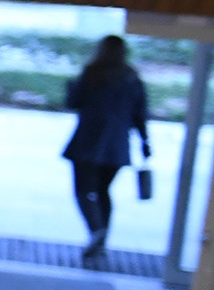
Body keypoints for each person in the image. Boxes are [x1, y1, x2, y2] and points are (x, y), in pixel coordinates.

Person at [62, 34, 153, 256]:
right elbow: (140, 115)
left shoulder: (92, 74)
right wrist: (145, 142)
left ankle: (96, 229)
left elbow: (74, 102)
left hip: (88, 142)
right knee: (104, 191)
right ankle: (102, 237)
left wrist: (71, 87)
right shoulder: (132, 78)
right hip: (117, 146)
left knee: (83, 190)